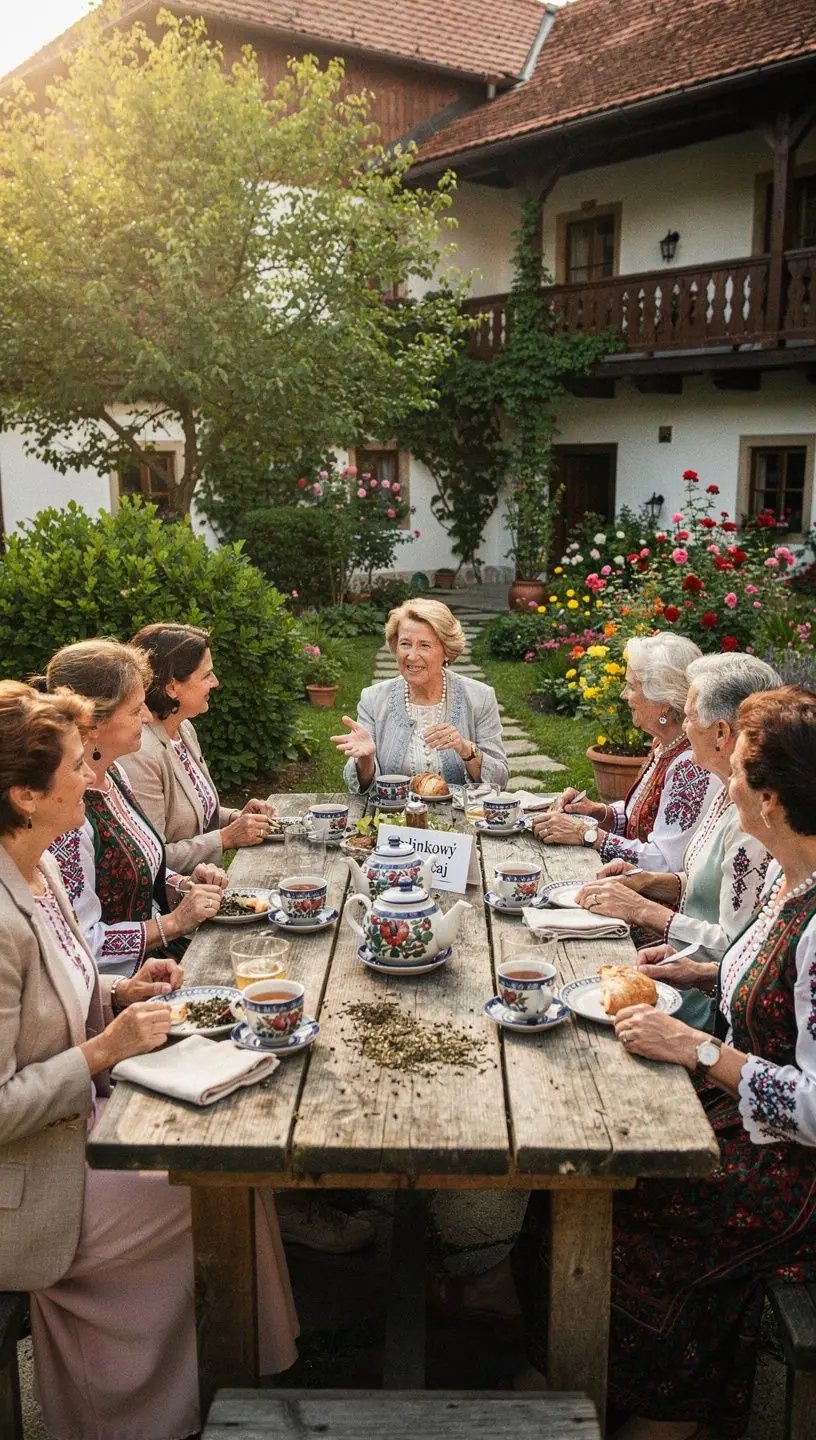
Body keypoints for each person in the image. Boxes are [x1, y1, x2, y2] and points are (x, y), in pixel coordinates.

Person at [0, 681, 298, 1440]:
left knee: (236, 1165)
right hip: (29, 1184)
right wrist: (103, 1047)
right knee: (211, 1183)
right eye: (77, 765)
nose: (95, 777)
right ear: (24, 796)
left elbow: (60, 987)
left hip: (76, 1126)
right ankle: (133, 1413)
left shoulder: (35, 871)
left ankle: (244, 1381)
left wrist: (119, 988)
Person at [524, 685, 816, 1440]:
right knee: (580, 1149)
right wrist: (699, 973)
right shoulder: (796, 879)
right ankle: (578, 1373)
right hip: (743, 1116)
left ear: (773, 801)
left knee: (615, 1195)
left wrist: (696, 1046)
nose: (727, 782)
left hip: (792, 1173)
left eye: (739, 773)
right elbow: (768, 984)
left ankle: (660, 1406)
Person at [575, 654, 779, 1027]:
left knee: (584, 986)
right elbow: (706, 881)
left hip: (707, 1005)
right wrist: (648, 882)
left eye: (689, 716)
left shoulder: (755, 822)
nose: (684, 728)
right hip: (679, 964)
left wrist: (642, 909)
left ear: (721, 732)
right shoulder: (724, 791)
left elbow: (734, 948)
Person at [44, 639, 226, 974]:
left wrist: (179, 886)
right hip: (124, 986)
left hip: (159, 960)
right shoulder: (67, 816)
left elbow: (138, 867)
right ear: (93, 723)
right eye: (134, 709)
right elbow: (81, 942)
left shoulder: (115, 773)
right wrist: (173, 923)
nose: (146, 716)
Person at [534, 633, 719, 872]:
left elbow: (665, 862)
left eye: (631, 687)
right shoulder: (664, 744)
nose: (623, 695)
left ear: (662, 700)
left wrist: (586, 834)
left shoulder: (691, 765)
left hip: (652, 898)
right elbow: (643, 819)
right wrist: (598, 812)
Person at [122, 622, 275, 873]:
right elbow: (151, 858)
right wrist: (226, 838)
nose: (215, 682)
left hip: (208, 890)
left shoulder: (183, 730)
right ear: (172, 687)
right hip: (176, 902)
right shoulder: (141, 754)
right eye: (206, 675)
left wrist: (237, 818)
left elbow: (193, 814)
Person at [331, 598, 509, 793]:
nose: (412, 656)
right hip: (393, 818)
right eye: (405, 644)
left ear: (447, 651)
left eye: (424, 645)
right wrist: (365, 759)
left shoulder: (480, 697)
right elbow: (362, 786)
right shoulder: (373, 699)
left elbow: (500, 781)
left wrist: (466, 749)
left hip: (461, 818)